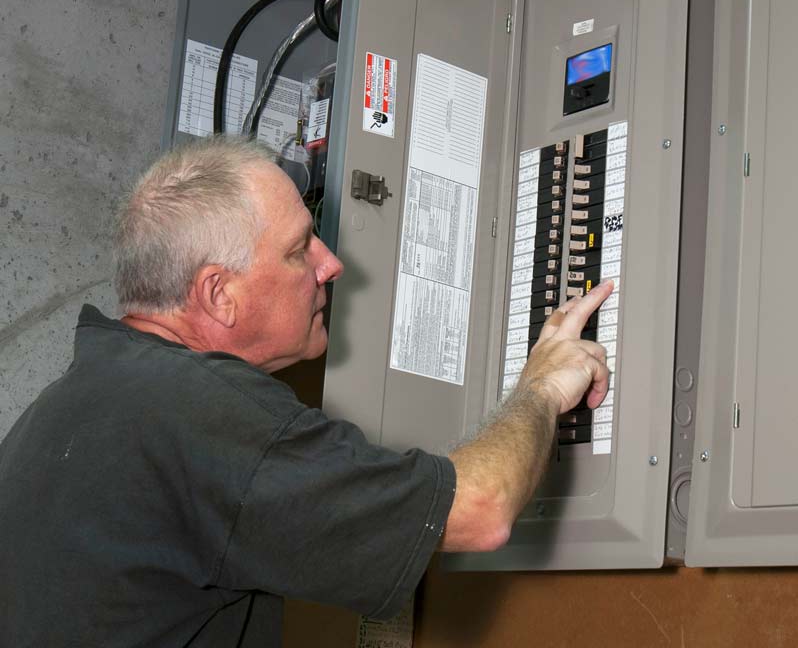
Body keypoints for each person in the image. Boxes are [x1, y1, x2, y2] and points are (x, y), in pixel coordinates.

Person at [0, 137, 612, 647]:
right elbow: (480, 512)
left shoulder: (60, 410)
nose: (331, 263)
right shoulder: (202, 410)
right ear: (220, 294)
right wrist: (542, 386)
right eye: (299, 250)